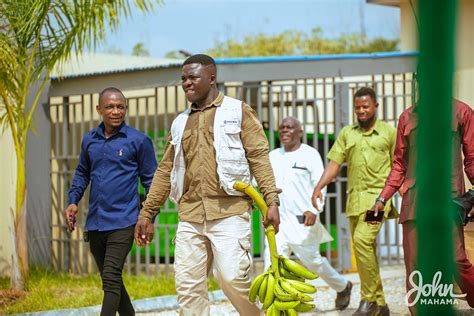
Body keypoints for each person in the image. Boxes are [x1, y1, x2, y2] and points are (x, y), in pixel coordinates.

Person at [134, 54, 281, 316]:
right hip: (190, 215)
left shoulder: (238, 112)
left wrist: (271, 200)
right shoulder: (180, 122)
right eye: (183, 79)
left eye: (193, 77)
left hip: (229, 212)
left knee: (232, 278)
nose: (186, 83)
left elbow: (258, 157)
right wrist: (147, 213)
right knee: (188, 287)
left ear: (212, 78)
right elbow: (166, 169)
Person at [372, 99, 474, 314]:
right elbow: (400, 163)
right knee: (415, 263)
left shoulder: (461, 111)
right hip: (415, 200)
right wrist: (383, 198)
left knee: (455, 259)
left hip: (449, 198)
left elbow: (471, 157)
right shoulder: (407, 117)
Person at [64, 87, 158, 316]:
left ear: (125, 109)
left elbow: (152, 182)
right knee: (111, 279)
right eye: (110, 107)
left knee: (110, 276)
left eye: (120, 107)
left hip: (124, 221)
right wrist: (73, 200)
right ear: (99, 109)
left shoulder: (139, 140)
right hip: (96, 222)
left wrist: (148, 218)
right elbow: (82, 173)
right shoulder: (89, 140)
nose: (116, 111)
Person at [311, 87, 396, 316]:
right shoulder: (348, 133)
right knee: (365, 250)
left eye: (365, 106)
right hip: (354, 202)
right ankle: (381, 304)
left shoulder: (389, 133)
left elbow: (400, 166)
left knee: (361, 241)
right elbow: (334, 164)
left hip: (378, 201)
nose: (361, 111)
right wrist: (319, 186)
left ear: (376, 106)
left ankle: (368, 300)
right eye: (357, 107)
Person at [265, 116, 353, 310]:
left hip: (303, 223)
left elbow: (320, 185)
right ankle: (277, 307)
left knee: (313, 262)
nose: (285, 130)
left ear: (300, 132)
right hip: (278, 223)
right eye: (282, 127)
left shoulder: (310, 155)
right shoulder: (272, 156)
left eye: (290, 127)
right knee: (272, 264)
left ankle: (342, 286)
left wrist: (314, 210)